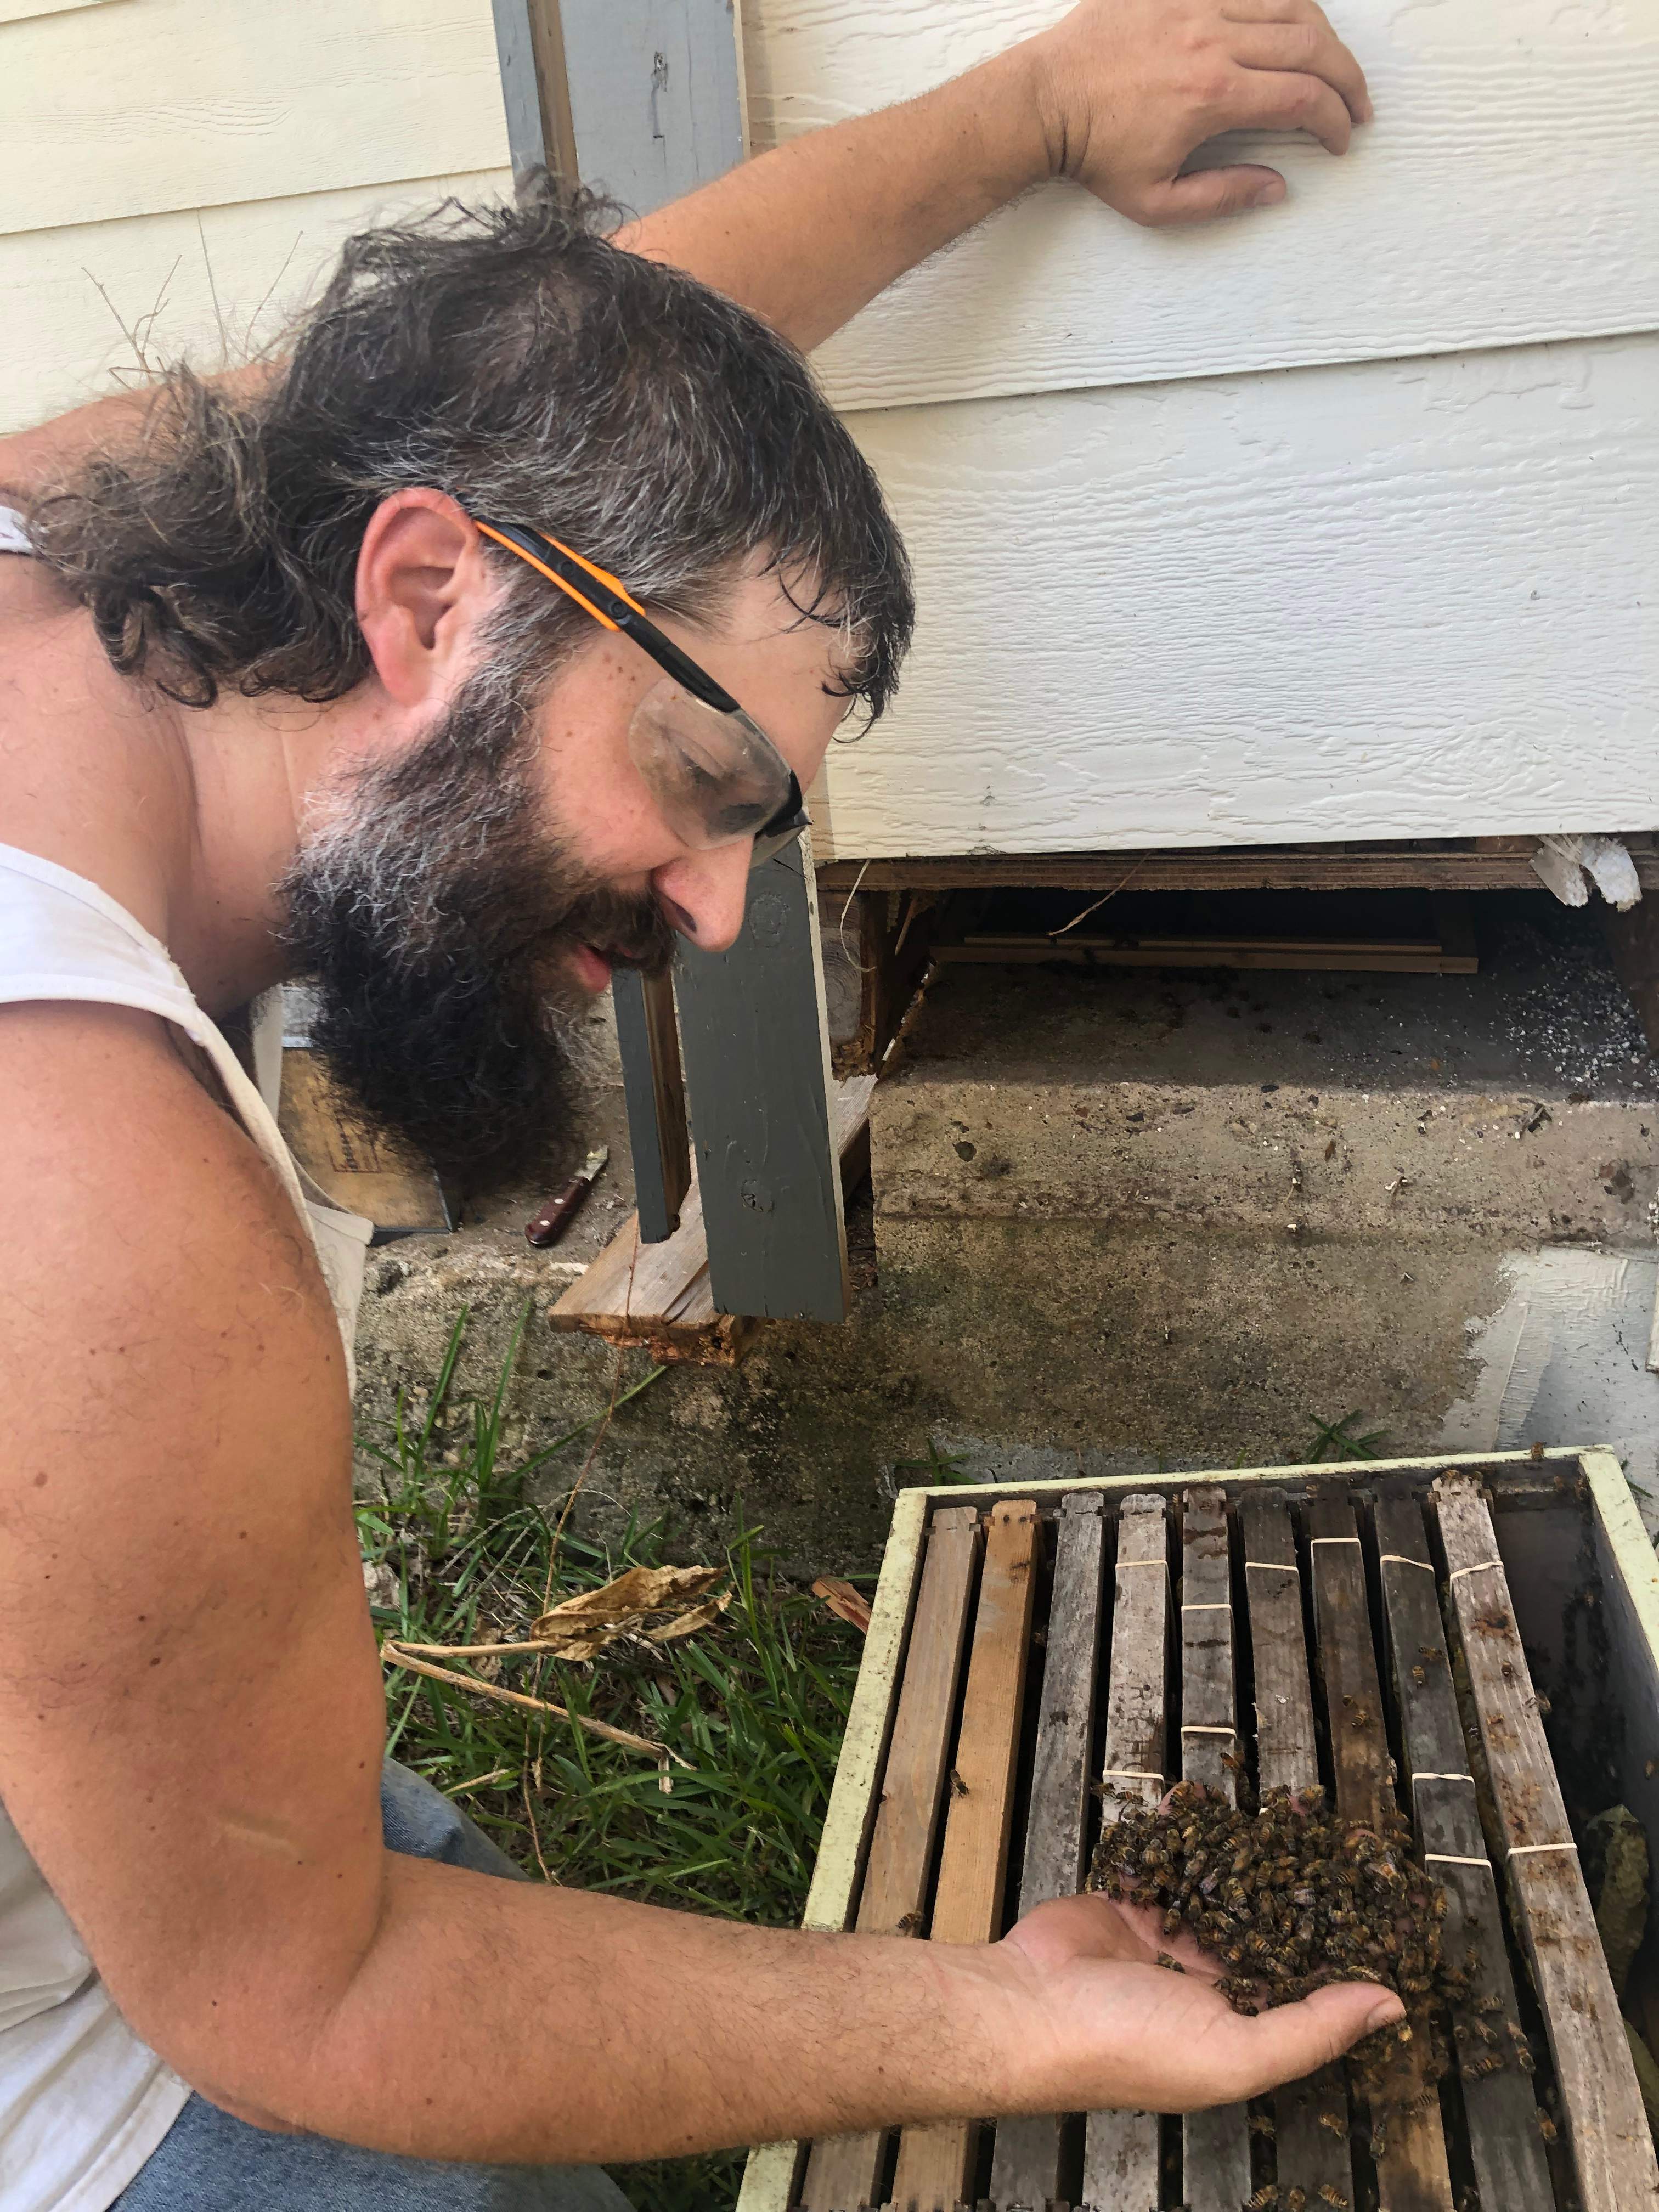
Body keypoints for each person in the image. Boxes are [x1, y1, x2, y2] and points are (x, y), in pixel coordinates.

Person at [0, 3, 1393, 2205]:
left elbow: (607, 370)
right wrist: (1010, 2022)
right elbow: (306, 2003)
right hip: (97, 2093)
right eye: (701, 788)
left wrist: (1023, 109)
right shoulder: (82, 1202)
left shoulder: (90, 538)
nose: (722, 916)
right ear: (427, 593)